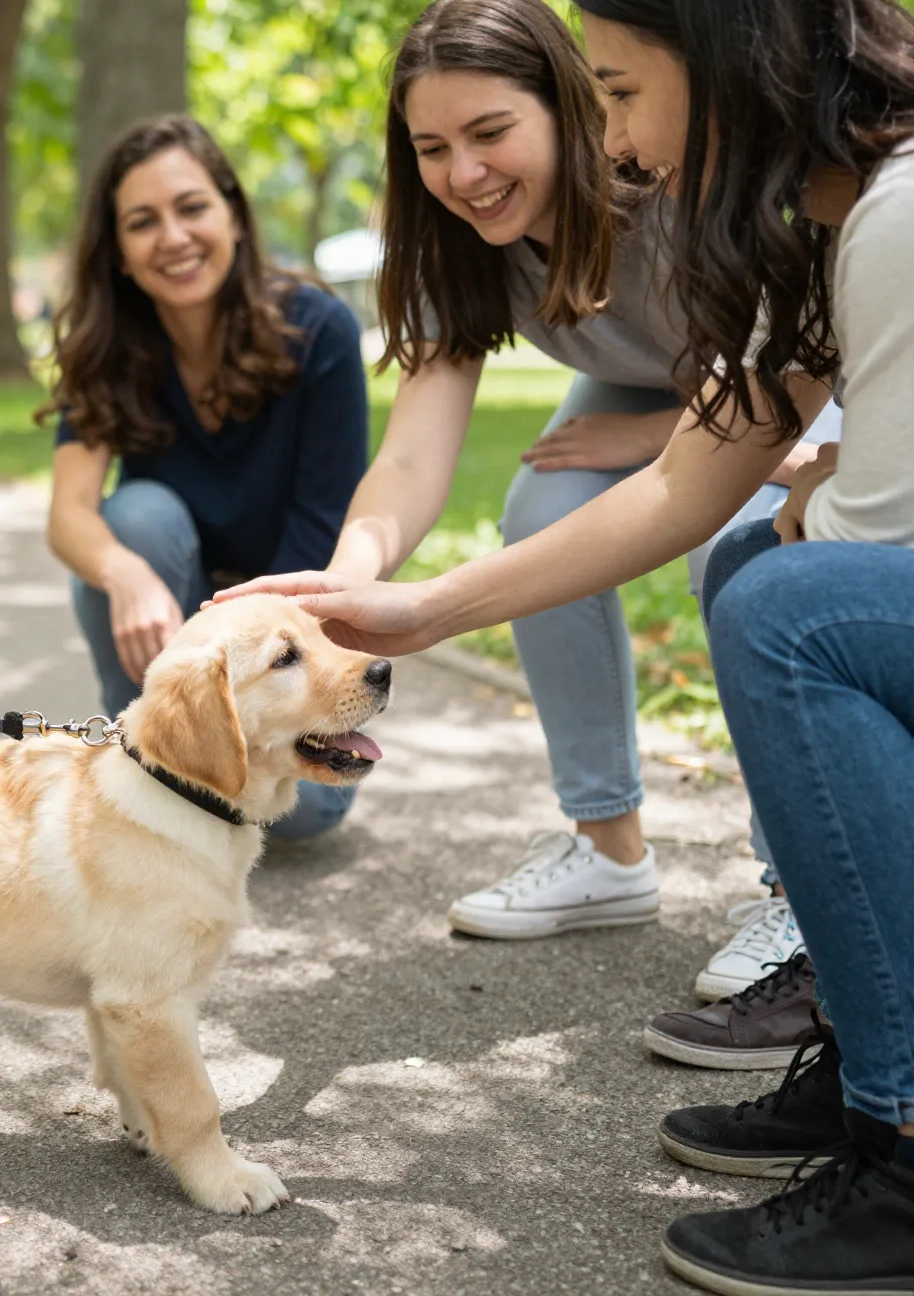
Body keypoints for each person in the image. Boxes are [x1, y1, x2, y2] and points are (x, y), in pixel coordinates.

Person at [223, 0, 914, 1287]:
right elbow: (604, 470)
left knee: (773, 591)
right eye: (432, 148)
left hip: (793, 442)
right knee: (654, 531)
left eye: (613, 96)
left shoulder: (836, 214)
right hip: (723, 419)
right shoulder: (762, 221)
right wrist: (382, 593)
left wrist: (741, 457)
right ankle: (662, 883)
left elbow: (806, 476)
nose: (615, 136)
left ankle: (856, 1026)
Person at [327, 0, 834, 1004]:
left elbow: (776, 396)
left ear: (568, 107)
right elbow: (413, 460)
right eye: (432, 147)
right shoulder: (462, 241)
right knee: (539, 510)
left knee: (737, 548)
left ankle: (797, 889)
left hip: (792, 393)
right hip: (667, 392)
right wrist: (341, 595)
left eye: (489, 133)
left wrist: (647, 439)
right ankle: (608, 851)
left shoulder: (671, 184)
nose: (462, 174)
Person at [44, 115, 371, 840]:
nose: (173, 236)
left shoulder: (318, 332)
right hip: (171, 625)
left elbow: (321, 545)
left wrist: (250, 667)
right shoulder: (108, 350)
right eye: (142, 222)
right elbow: (69, 514)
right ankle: (138, 744)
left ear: (232, 215)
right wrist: (126, 575)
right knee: (133, 519)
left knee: (299, 814)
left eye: (192, 207)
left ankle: (186, 767)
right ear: (120, 253)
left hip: (284, 639)